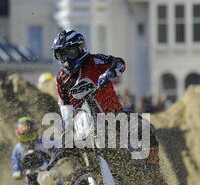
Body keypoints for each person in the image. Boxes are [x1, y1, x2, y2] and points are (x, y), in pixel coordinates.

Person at [51, 29, 160, 165]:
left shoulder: (94, 61)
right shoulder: (61, 78)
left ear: (80, 48)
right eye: (61, 54)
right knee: (67, 151)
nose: (66, 58)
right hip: (83, 122)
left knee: (145, 129)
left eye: (70, 52)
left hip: (112, 114)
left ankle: (153, 169)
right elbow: (65, 106)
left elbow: (119, 63)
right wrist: (67, 131)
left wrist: (108, 73)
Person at [11, 117, 63, 185]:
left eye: (31, 135)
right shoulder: (18, 149)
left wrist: (63, 149)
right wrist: (17, 172)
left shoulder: (45, 141)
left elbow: (59, 145)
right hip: (33, 179)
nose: (29, 139)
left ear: (36, 132)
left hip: (51, 173)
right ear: (19, 136)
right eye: (25, 136)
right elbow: (15, 162)